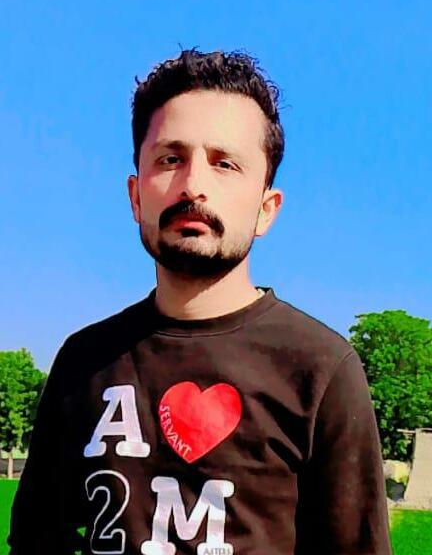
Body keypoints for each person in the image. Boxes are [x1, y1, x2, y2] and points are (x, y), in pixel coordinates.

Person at [8, 48, 393, 555]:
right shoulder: (84, 361)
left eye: (224, 164)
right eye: (170, 159)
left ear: (266, 209)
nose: (193, 186)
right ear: (136, 196)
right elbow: (36, 540)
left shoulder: (321, 368)